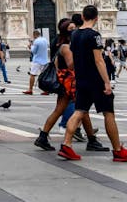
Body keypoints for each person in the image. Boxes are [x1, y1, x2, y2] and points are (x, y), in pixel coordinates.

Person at [58, 5, 127, 163]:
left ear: (82, 16)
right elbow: (99, 60)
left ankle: (66, 145)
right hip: (95, 80)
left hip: (81, 79)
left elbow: (73, 61)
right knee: (108, 113)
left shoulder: (74, 35)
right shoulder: (94, 35)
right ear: (96, 18)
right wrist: (107, 82)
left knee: (79, 111)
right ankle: (118, 150)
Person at [34, 17, 107, 153]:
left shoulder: (69, 45)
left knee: (78, 110)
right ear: (66, 32)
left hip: (69, 82)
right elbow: (71, 65)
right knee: (76, 110)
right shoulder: (66, 47)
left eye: (75, 28)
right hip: (69, 83)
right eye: (71, 29)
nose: (75, 31)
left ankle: (44, 137)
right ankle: (91, 140)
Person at [25, 30, 49, 94]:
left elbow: (34, 51)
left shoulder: (36, 41)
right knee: (44, 75)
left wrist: (30, 47)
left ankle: (30, 89)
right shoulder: (45, 40)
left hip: (37, 61)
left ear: (34, 35)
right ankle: (46, 90)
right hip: (45, 60)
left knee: (32, 74)